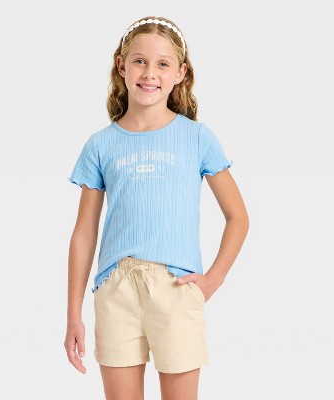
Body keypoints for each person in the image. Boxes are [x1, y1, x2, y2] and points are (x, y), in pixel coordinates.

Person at [64, 16, 249, 400]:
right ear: (122, 66)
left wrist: (212, 281)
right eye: (140, 61)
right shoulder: (100, 144)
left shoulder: (197, 138)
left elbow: (238, 217)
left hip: (176, 288)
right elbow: (84, 232)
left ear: (180, 73)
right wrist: (73, 314)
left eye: (163, 63)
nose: (150, 73)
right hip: (116, 289)